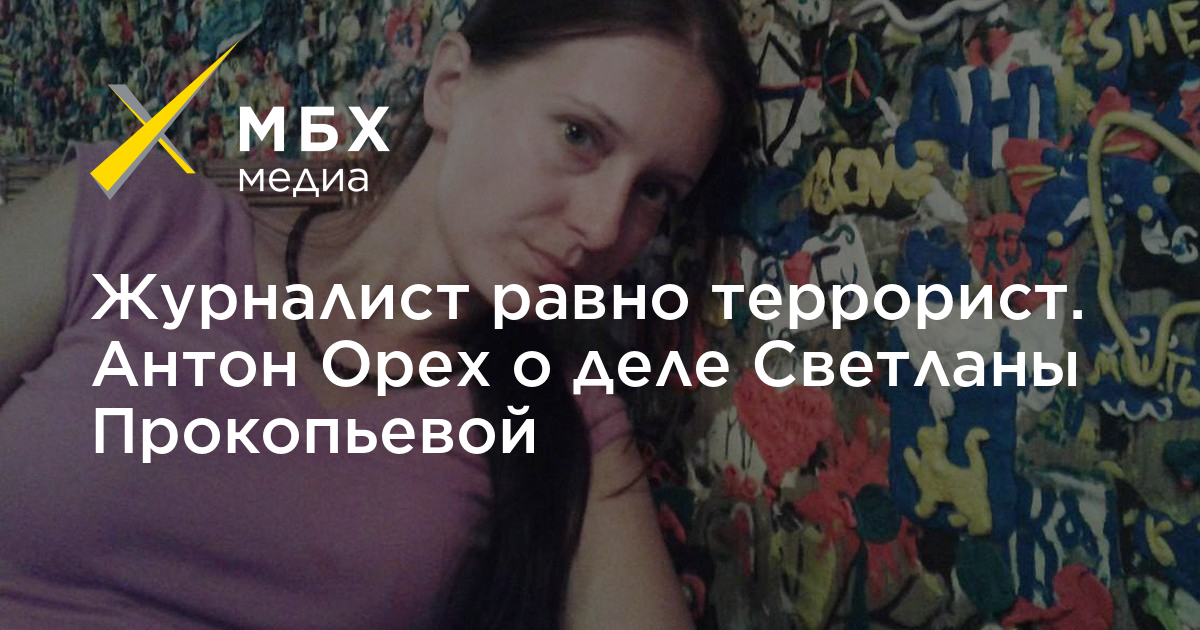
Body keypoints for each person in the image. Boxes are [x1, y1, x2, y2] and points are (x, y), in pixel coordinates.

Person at [0, 0, 755, 628]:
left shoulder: (560, 423)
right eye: (579, 135)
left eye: (655, 191)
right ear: (451, 85)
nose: (603, 226)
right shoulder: (135, 219)